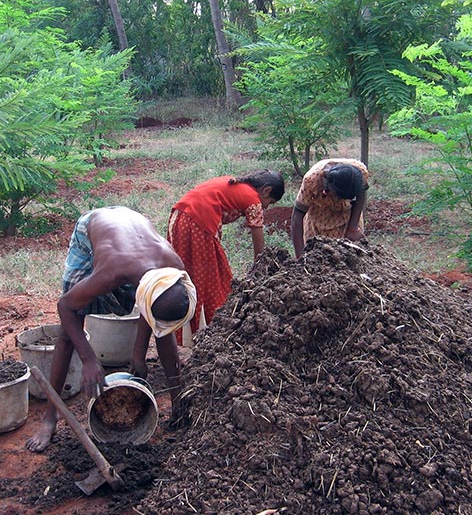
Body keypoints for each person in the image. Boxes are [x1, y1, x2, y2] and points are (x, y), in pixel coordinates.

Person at [25, 206, 196, 452]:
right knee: (68, 332)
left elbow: (155, 315)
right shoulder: (111, 272)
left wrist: (138, 355)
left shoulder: (173, 271)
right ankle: (50, 419)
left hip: (131, 229)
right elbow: (65, 307)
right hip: (93, 229)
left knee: (164, 331)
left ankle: (178, 404)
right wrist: (89, 360)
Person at [167, 169, 284, 343]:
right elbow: (259, 245)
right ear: (266, 190)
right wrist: (262, 269)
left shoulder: (237, 184)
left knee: (186, 277)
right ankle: (212, 334)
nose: (267, 206)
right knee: (213, 280)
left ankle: (182, 332)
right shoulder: (253, 199)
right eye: (270, 201)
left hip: (180, 219)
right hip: (198, 225)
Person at [291, 158, 369, 258]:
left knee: (350, 257)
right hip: (318, 220)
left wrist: (353, 228)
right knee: (316, 257)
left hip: (348, 217)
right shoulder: (311, 180)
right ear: (330, 187)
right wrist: (300, 257)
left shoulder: (359, 172)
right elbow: (296, 217)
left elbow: (361, 195)